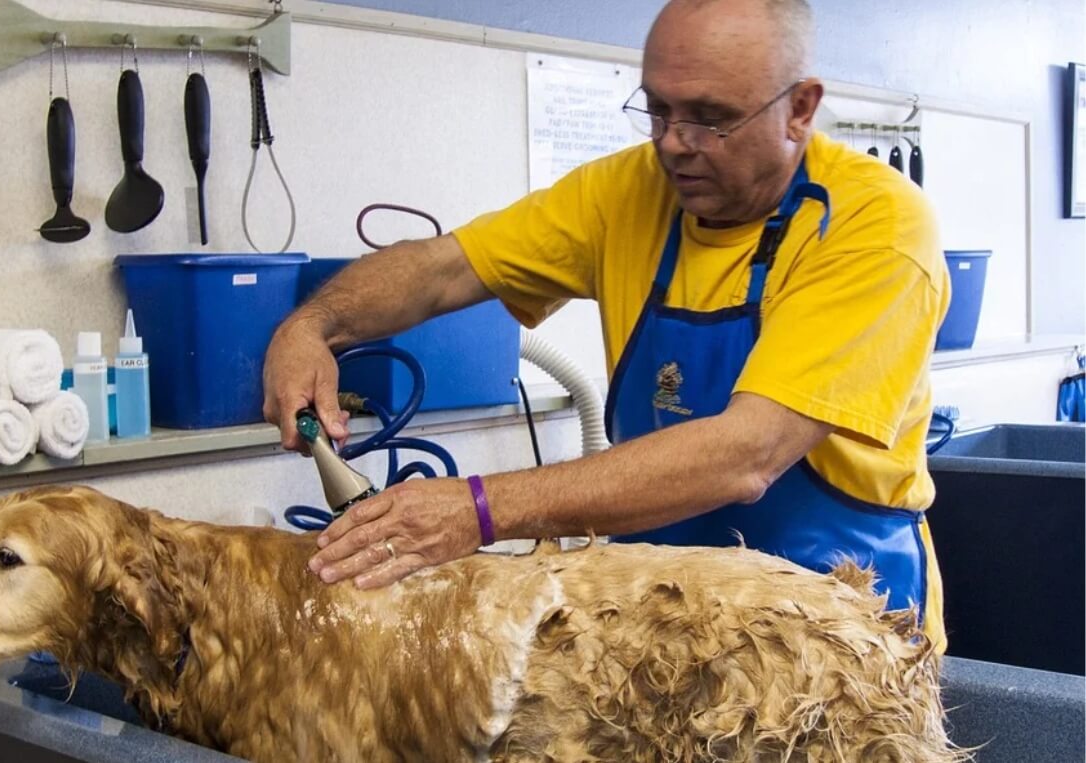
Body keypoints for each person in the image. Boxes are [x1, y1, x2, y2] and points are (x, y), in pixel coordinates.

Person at [262, 0, 950, 651]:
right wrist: (312, 326)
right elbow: (444, 269)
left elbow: (748, 453)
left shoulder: (876, 228)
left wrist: (475, 507)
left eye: (710, 119)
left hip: (836, 625)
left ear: (799, 109)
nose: (674, 145)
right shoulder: (625, 193)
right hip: (663, 610)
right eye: (657, 110)